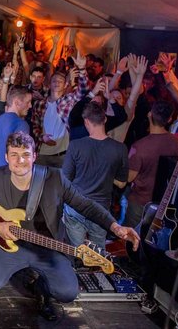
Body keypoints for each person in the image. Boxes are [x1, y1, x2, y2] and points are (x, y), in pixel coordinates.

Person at [0, 131, 140, 321]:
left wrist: (115, 227)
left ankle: (40, 286)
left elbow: (85, 204)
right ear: (6, 157)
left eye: (26, 154)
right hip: (8, 246)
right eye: (14, 155)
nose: (20, 160)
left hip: (47, 246)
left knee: (68, 293)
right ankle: (26, 273)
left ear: (34, 156)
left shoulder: (54, 178)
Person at [62, 102, 128, 249]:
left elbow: (65, 179)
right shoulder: (120, 148)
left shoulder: (75, 145)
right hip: (101, 210)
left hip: (76, 206)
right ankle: (97, 272)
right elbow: (122, 183)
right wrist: (107, 175)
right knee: (98, 256)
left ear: (86, 121)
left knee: (76, 252)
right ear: (105, 120)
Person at [125, 100, 178, 227]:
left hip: (139, 204)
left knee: (131, 242)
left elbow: (129, 177)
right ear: (169, 120)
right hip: (164, 205)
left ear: (149, 114)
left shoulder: (139, 146)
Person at [0, 86, 31, 168]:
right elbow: (21, 157)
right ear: (17, 102)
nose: (30, 106)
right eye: (28, 102)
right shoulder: (21, 124)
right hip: (11, 176)